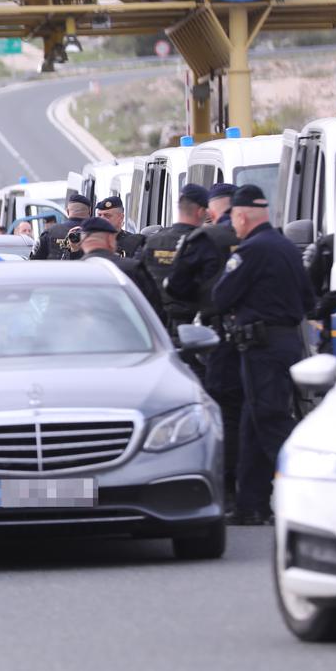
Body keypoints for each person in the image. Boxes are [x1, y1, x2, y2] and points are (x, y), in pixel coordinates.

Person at [210, 184, 316, 526]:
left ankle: (309, 494)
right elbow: (307, 298)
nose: (234, 227)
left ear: (241, 216)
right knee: (253, 425)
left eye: (234, 221)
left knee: (270, 421)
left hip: (262, 348)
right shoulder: (285, 246)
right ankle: (250, 504)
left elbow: (221, 296)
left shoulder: (251, 251)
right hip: (284, 344)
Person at [165, 190, 243, 501]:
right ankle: (252, 494)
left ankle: (224, 486)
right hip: (260, 343)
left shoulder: (204, 239)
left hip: (213, 335)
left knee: (222, 411)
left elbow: (177, 288)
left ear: (209, 209)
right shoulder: (267, 239)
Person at [142, 185, 209, 328]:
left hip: (156, 324)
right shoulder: (205, 242)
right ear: (201, 211)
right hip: (195, 325)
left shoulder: (153, 241)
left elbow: (138, 279)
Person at [77, 217, 165, 323]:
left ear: (82, 243)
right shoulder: (132, 268)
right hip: (125, 336)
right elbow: (154, 312)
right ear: (110, 240)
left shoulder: (69, 273)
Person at [33, 194, 92, 260]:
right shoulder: (98, 233)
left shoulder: (50, 232)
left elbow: (34, 260)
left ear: (67, 211)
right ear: (90, 211)